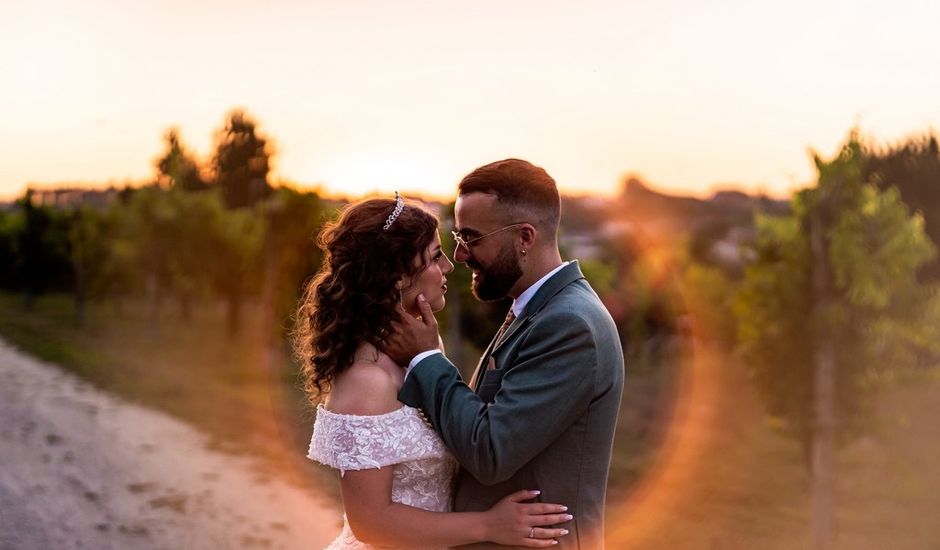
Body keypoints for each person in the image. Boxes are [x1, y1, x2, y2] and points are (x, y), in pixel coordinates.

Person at [294, 194, 572, 550]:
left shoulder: (423, 350)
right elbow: (371, 523)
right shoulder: (368, 380)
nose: (449, 268)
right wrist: (488, 525)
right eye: (434, 256)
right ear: (397, 276)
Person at [383, 159, 625, 549]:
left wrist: (427, 358)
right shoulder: (540, 308)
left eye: (471, 239)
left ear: (525, 237)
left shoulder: (569, 325)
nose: (460, 256)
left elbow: (491, 449)